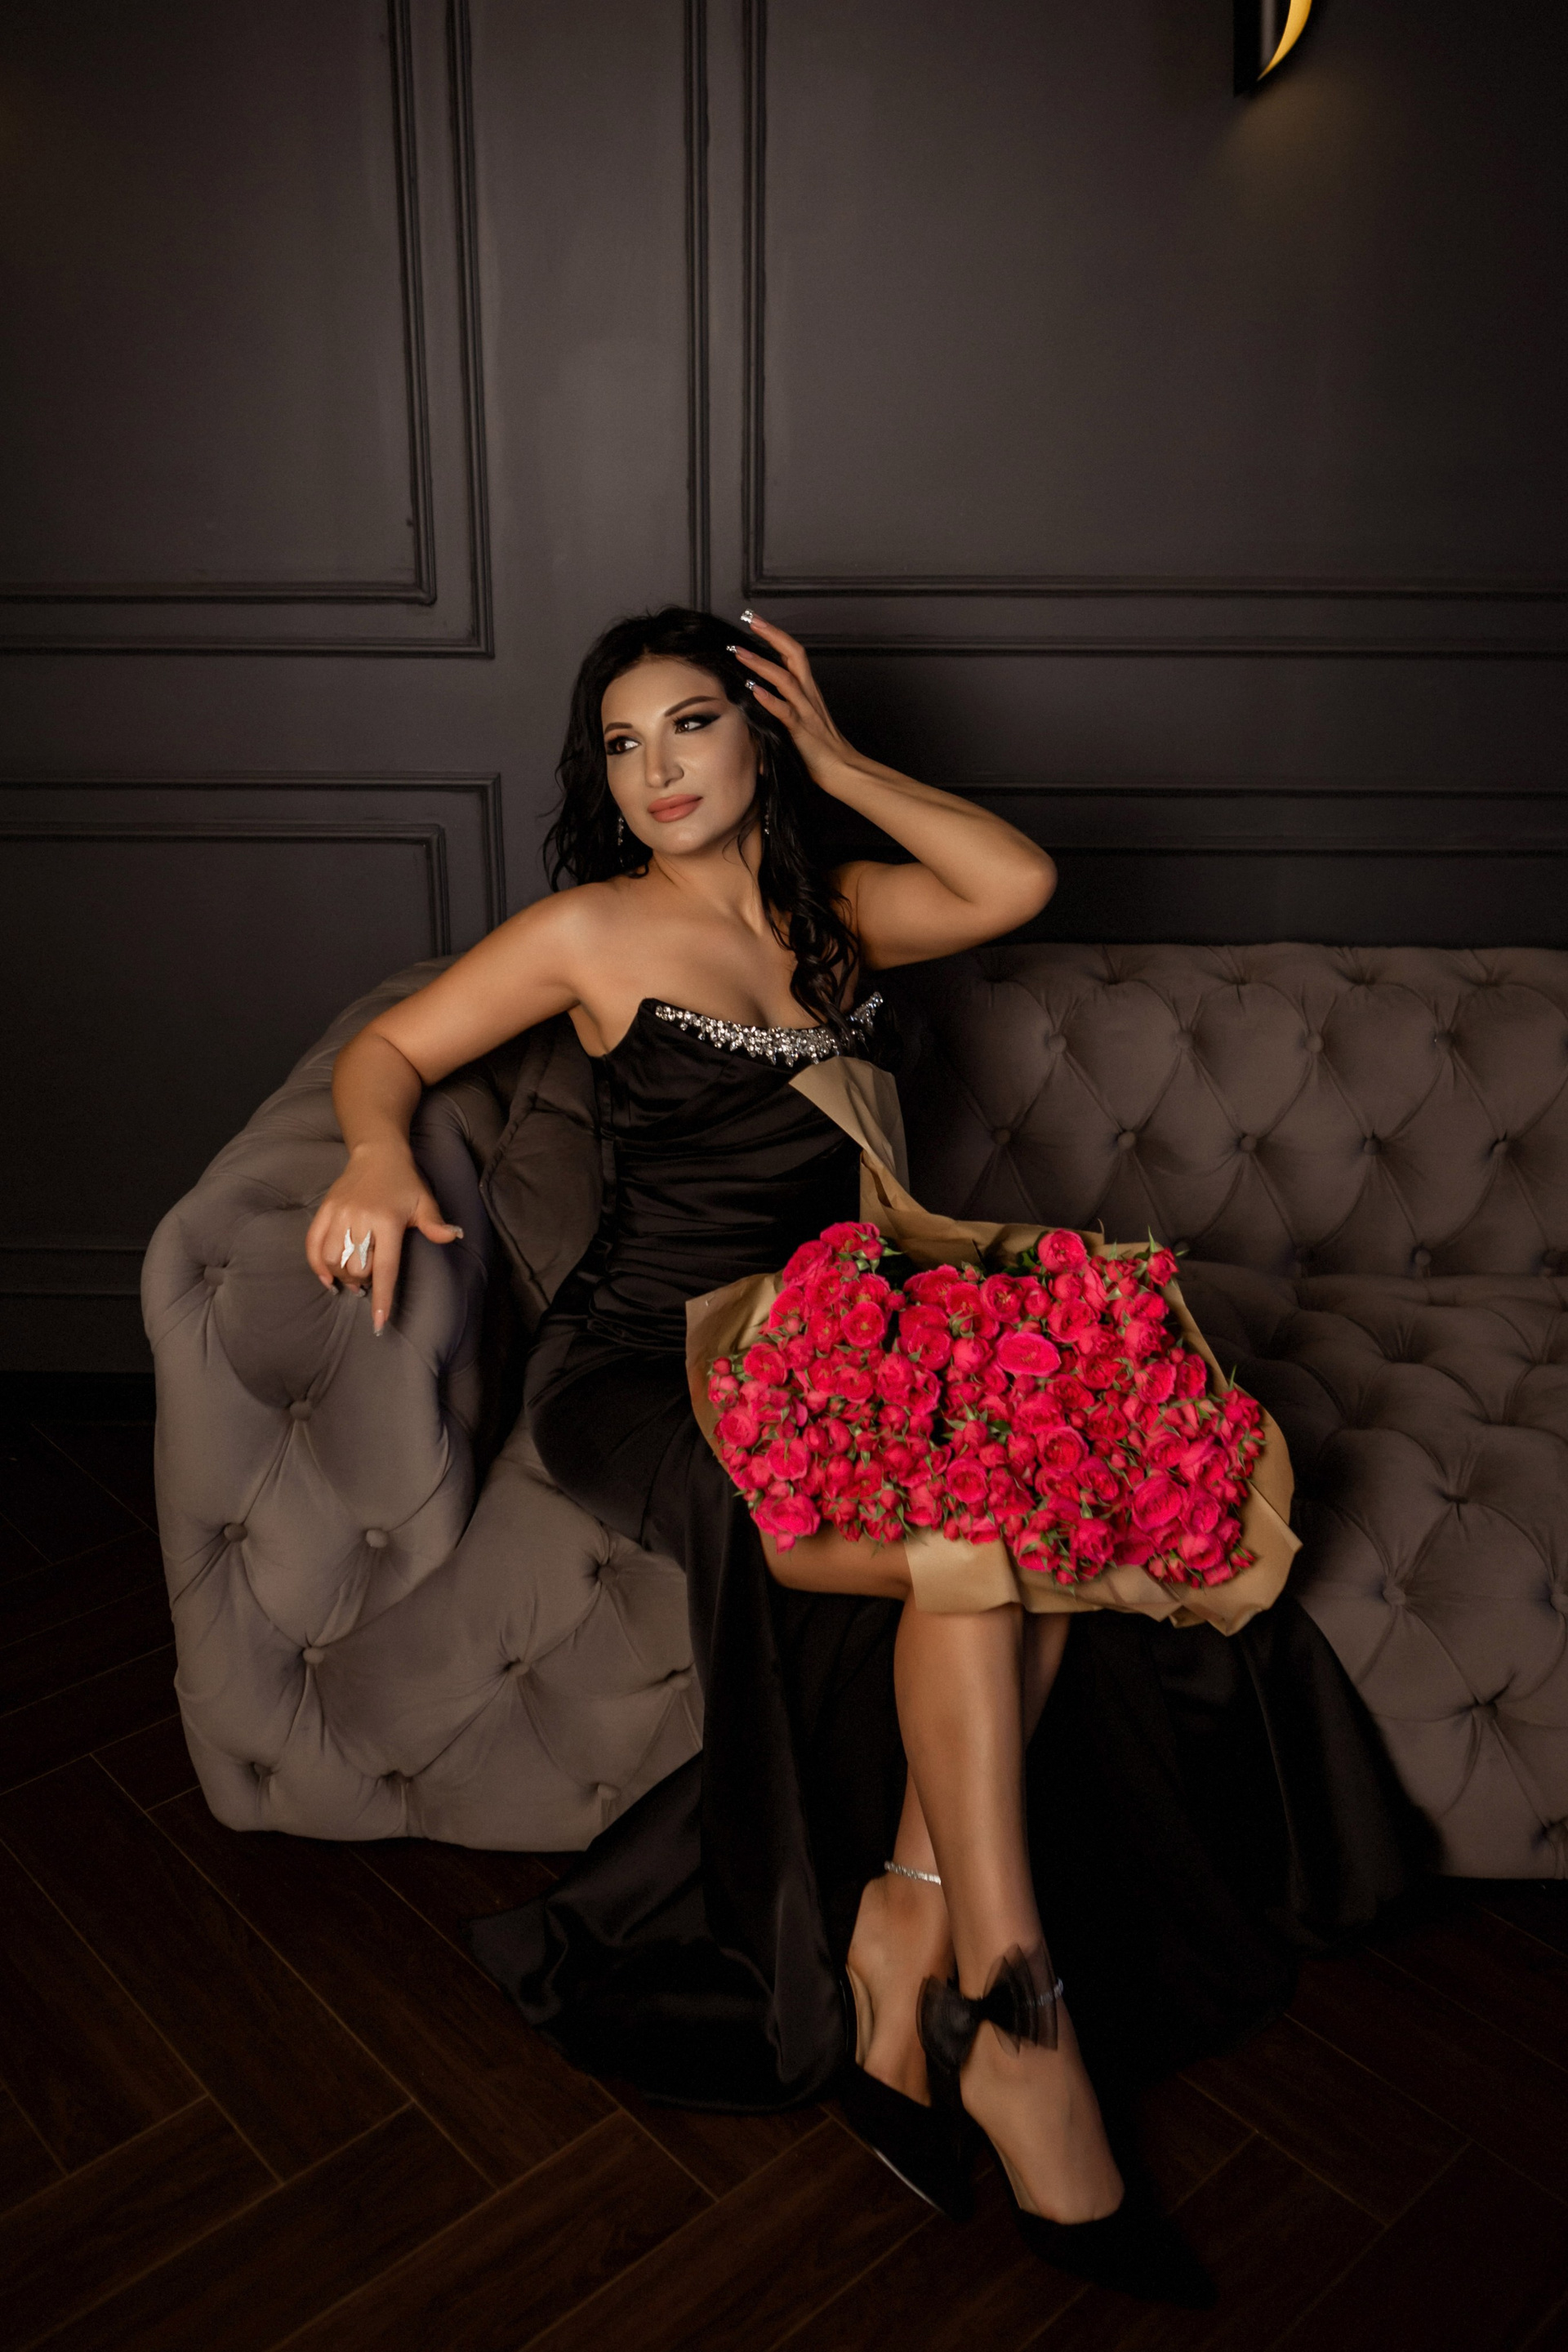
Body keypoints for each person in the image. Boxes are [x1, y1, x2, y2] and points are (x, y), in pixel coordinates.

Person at [306, 608, 1419, 2307]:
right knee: (994, 1536)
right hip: (656, 1362)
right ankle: (1017, 2015)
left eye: (694, 724)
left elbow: (1013, 879)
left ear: (755, 738)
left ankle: (914, 1930)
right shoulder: (590, 932)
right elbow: (386, 1051)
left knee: (1035, 1508)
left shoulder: (838, 915)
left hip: (846, 1346)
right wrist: (375, 1158)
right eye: (623, 745)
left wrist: (838, 757)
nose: (659, 770)